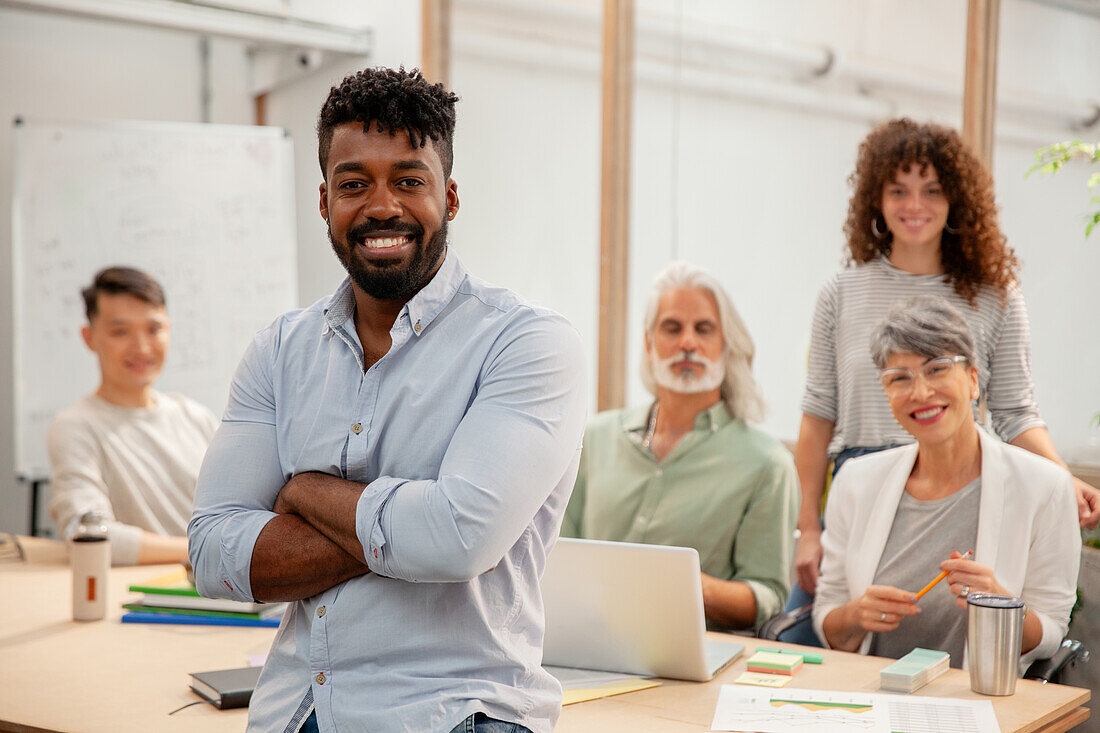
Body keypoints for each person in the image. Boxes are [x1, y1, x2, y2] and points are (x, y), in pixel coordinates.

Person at [187, 67, 586, 733]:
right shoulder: (278, 352)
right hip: (295, 709)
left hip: (461, 711)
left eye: (408, 179)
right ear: (323, 201)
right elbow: (212, 553)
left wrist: (305, 489)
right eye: (353, 184)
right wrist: (413, 523)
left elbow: (459, 539)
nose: (380, 206)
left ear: (449, 196)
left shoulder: (527, 344)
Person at [787, 118, 1099, 645]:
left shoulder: (994, 295)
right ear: (875, 200)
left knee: (959, 641)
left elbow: (1016, 409)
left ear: (957, 200)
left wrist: (1060, 478)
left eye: (932, 190)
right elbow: (818, 415)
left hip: (964, 487)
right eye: (899, 190)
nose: (916, 205)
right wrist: (808, 529)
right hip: (857, 492)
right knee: (805, 643)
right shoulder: (841, 293)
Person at [813, 296, 1078, 671]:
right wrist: (855, 615)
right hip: (868, 703)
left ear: (972, 380)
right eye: (899, 378)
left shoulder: (1045, 487)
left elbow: (1051, 634)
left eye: (937, 369)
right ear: (887, 394)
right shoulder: (855, 481)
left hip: (975, 707)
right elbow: (830, 625)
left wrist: (1001, 606)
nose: (920, 392)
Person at [561, 261, 798, 631]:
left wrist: (679, 584)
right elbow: (555, 553)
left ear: (726, 344)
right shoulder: (593, 437)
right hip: (580, 640)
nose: (688, 342)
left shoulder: (767, 463)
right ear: (649, 343)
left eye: (704, 329)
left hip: (692, 658)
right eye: (672, 328)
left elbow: (766, 597)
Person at [47, 267, 219, 566]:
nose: (141, 348)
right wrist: (202, 550)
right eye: (120, 332)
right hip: (143, 599)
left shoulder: (196, 418)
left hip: (226, 590)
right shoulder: (75, 427)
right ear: (89, 338)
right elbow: (87, 536)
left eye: (153, 329)